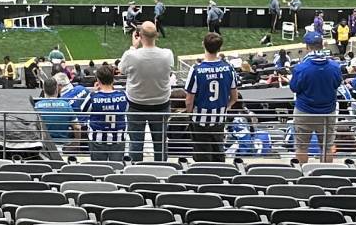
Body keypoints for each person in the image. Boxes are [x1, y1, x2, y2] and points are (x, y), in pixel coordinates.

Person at [120, 20, 178, 163]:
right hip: (160, 105)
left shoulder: (131, 55)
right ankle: (162, 169)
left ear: (139, 35)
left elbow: (121, 69)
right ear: (157, 35)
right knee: (160, 143)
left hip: (137, 106)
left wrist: (133, 47)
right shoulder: (167, 54)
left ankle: (135, 170)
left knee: (136, 143)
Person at [183, 29, 240, 162]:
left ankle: (205, 179)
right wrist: (224, 108)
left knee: (202, 156)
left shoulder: (196, 70)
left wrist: (190, 114)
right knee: (218, 153)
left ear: (203, 44)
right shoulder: (229, 68)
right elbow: (235, 97)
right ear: (220, 48)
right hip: (219, 119)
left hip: (200, 120)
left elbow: (189, 100)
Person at [287, 30, 345, 160]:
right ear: (322, 45)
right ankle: (324, 175)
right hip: (327, 112)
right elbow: (337, 84)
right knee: (327, 146)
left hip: (305, 112)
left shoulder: (301, 68)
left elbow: (294, 88)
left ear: (307, 47)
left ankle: (304, 175)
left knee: (301, 147)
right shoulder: (335, 67)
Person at [80, 63, 129, 156]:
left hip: (98, 139)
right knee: (117, 168)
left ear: (98, 80)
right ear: (113, 79)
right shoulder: (123, 95)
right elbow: (126, 110)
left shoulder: (93, 96)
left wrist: (95, 91)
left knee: (98, 169)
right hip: (118, 138)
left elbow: (83, 110)